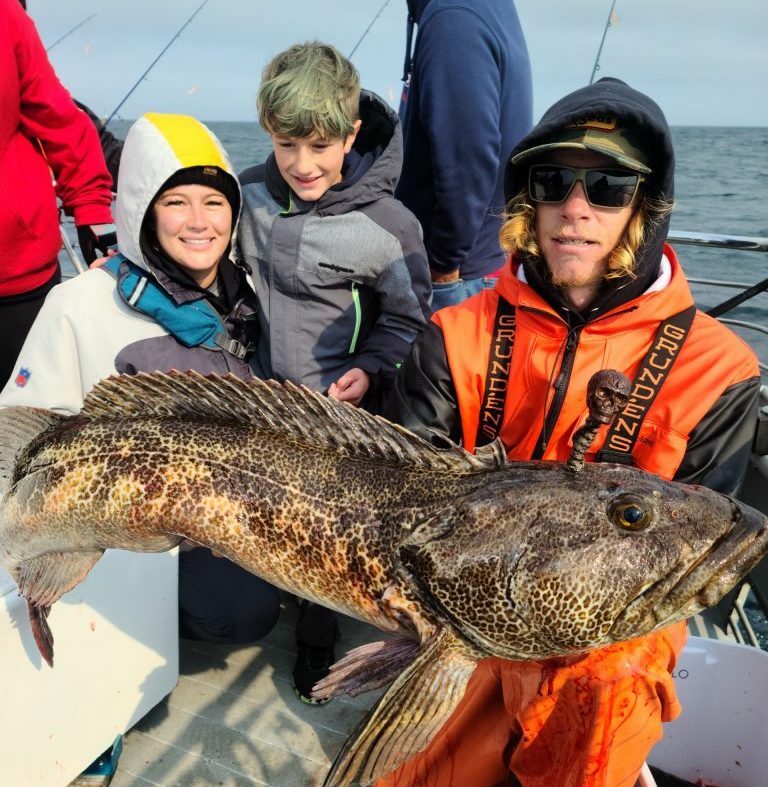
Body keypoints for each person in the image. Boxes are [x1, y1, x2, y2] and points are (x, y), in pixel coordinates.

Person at [380, 77, 761, 786]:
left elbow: (688, 559)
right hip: (465, 613)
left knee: (607, 685)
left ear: (644, 208)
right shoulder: (451, 335)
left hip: (613, 638)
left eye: (609, 187)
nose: (575, 209)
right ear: (530, 202)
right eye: (554, 183)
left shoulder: (724, 369)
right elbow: (405, 505)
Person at [0, 112, 280, 650]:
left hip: (226, 510)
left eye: (215, 202)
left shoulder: (252, 294)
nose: (199, 221)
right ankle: (116, 623)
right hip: (125, 522)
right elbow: (19, 430)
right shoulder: (78, 304)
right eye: (176, 203)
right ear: (143, 212)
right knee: (241, 612)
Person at [237, 41, 431, 703]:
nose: (302, 164)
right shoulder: (248, 195)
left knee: (328, 529)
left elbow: (409, 320)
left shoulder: (390, 225)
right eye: (287, 144)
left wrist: (372, 370)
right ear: (269, 131)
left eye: (320, 146)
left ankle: (318, 629)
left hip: (341, 415)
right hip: (261, 401)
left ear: (351, 133)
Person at [1, 0, 115, 387]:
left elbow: (62, 122)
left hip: (17, 276)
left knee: (30, 414)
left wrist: (92, 209)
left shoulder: (7, 17)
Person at [397, 0, 533, 310]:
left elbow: (469, 160)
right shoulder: (478, 9)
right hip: (479, 264)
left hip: (453, 278)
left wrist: (442, 262)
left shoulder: (453, 17)